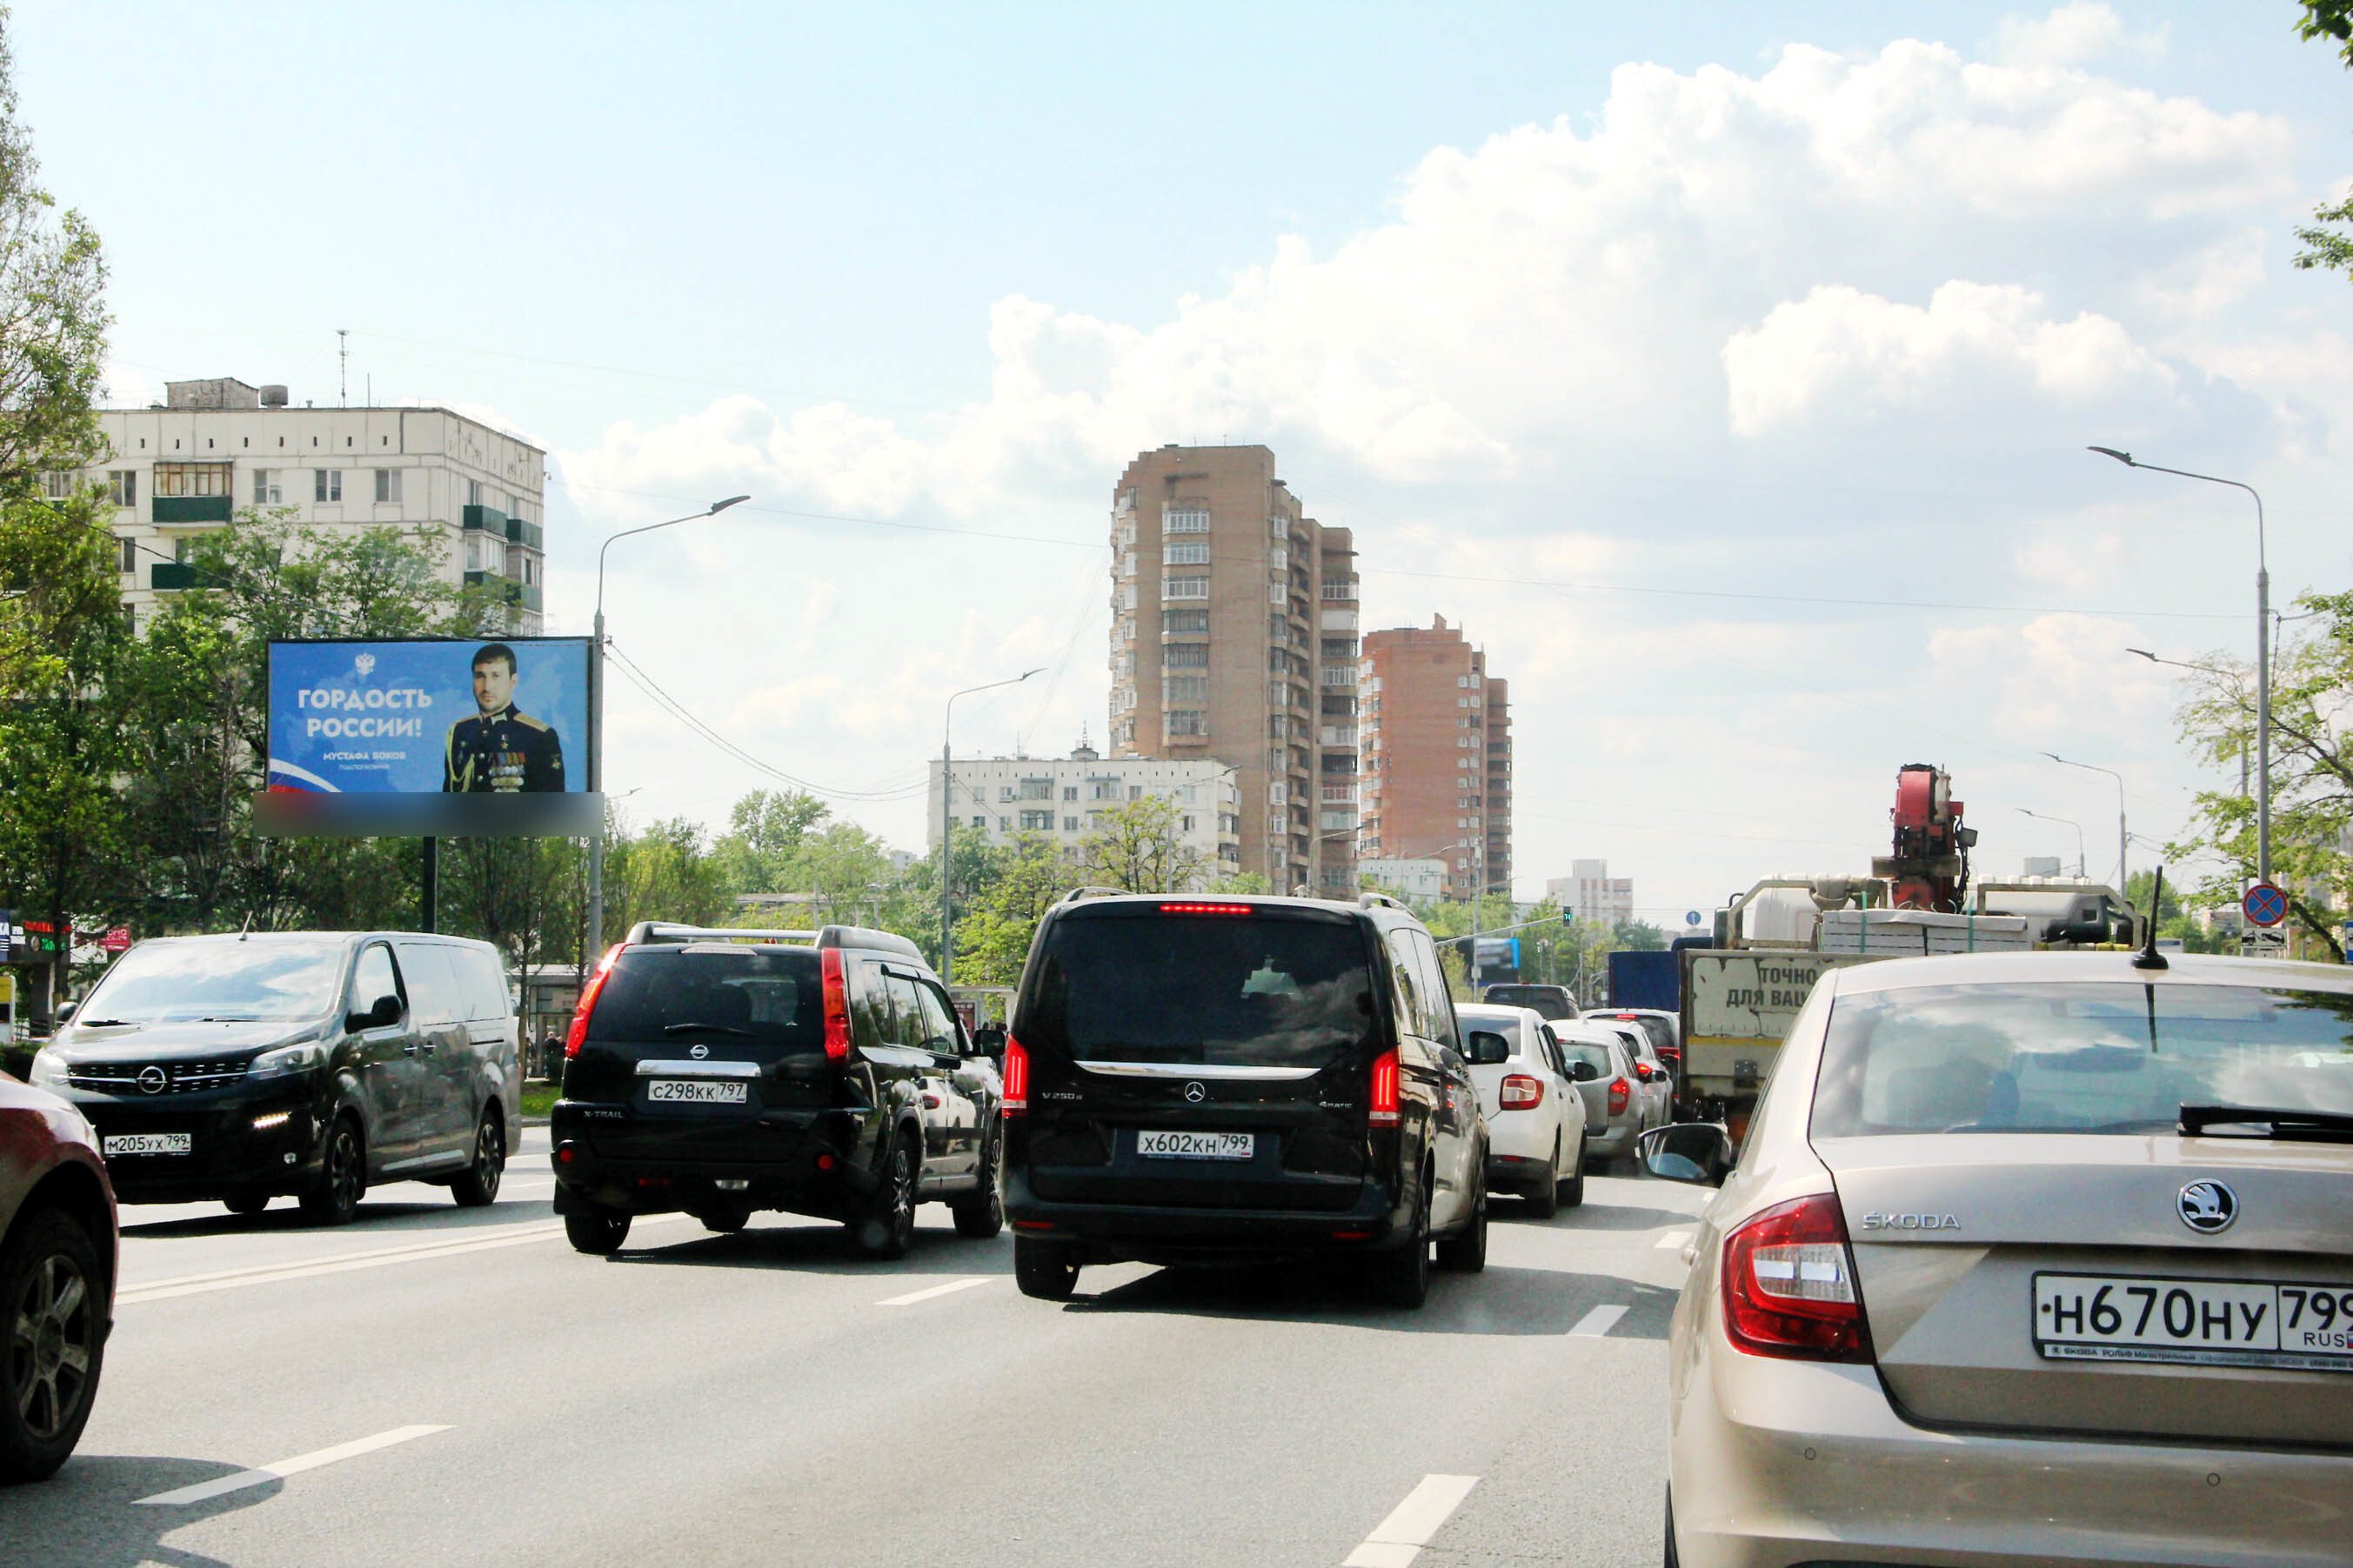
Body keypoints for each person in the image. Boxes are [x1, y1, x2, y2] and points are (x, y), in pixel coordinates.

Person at [443, 643, 565, 792]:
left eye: (496, 676)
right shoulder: (460, 731)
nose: (487, 686)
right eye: (480, 676)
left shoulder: (538, 736)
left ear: (513, 681)